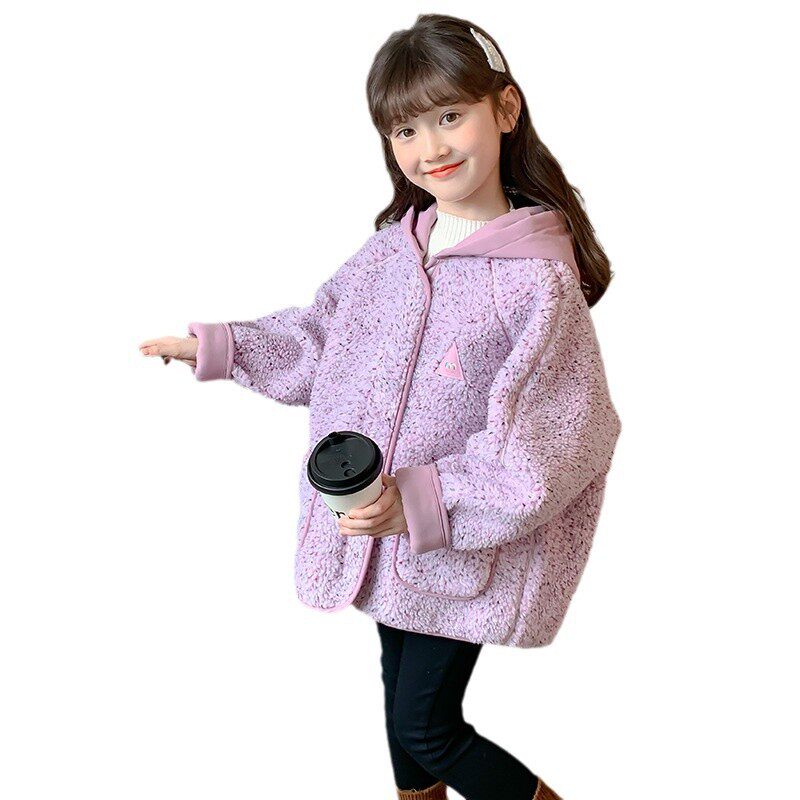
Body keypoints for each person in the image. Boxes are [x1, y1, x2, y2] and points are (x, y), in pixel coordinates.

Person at [139, 13, 621, 800]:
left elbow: (555, 442)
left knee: (427, 725)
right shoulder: (395, 248)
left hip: (454, 548)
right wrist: (221, 348)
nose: (430, 147)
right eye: (405, 129)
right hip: (384, 544)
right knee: (401, 712)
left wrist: (424, 501)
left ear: (505, 108)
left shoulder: (537, 282)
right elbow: (325, 337)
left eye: (450, 116)